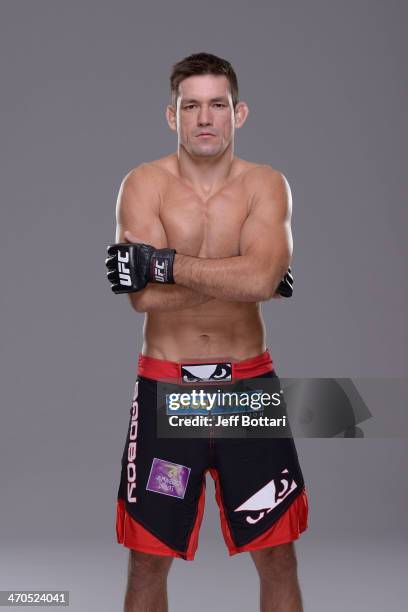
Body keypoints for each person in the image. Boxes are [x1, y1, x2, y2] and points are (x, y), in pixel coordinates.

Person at [106, 52, 308, 612]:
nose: (204, 117)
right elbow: (142, 298)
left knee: (278, 553)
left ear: (238, 113)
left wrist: (165, 263)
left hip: (248, 392)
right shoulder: (143, 185)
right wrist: (247, 275)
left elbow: (258, 275)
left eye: (217, 104)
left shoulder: (266, 184)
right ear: (171, 116)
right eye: (190, 105)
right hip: (169, 392)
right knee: (148, 557)